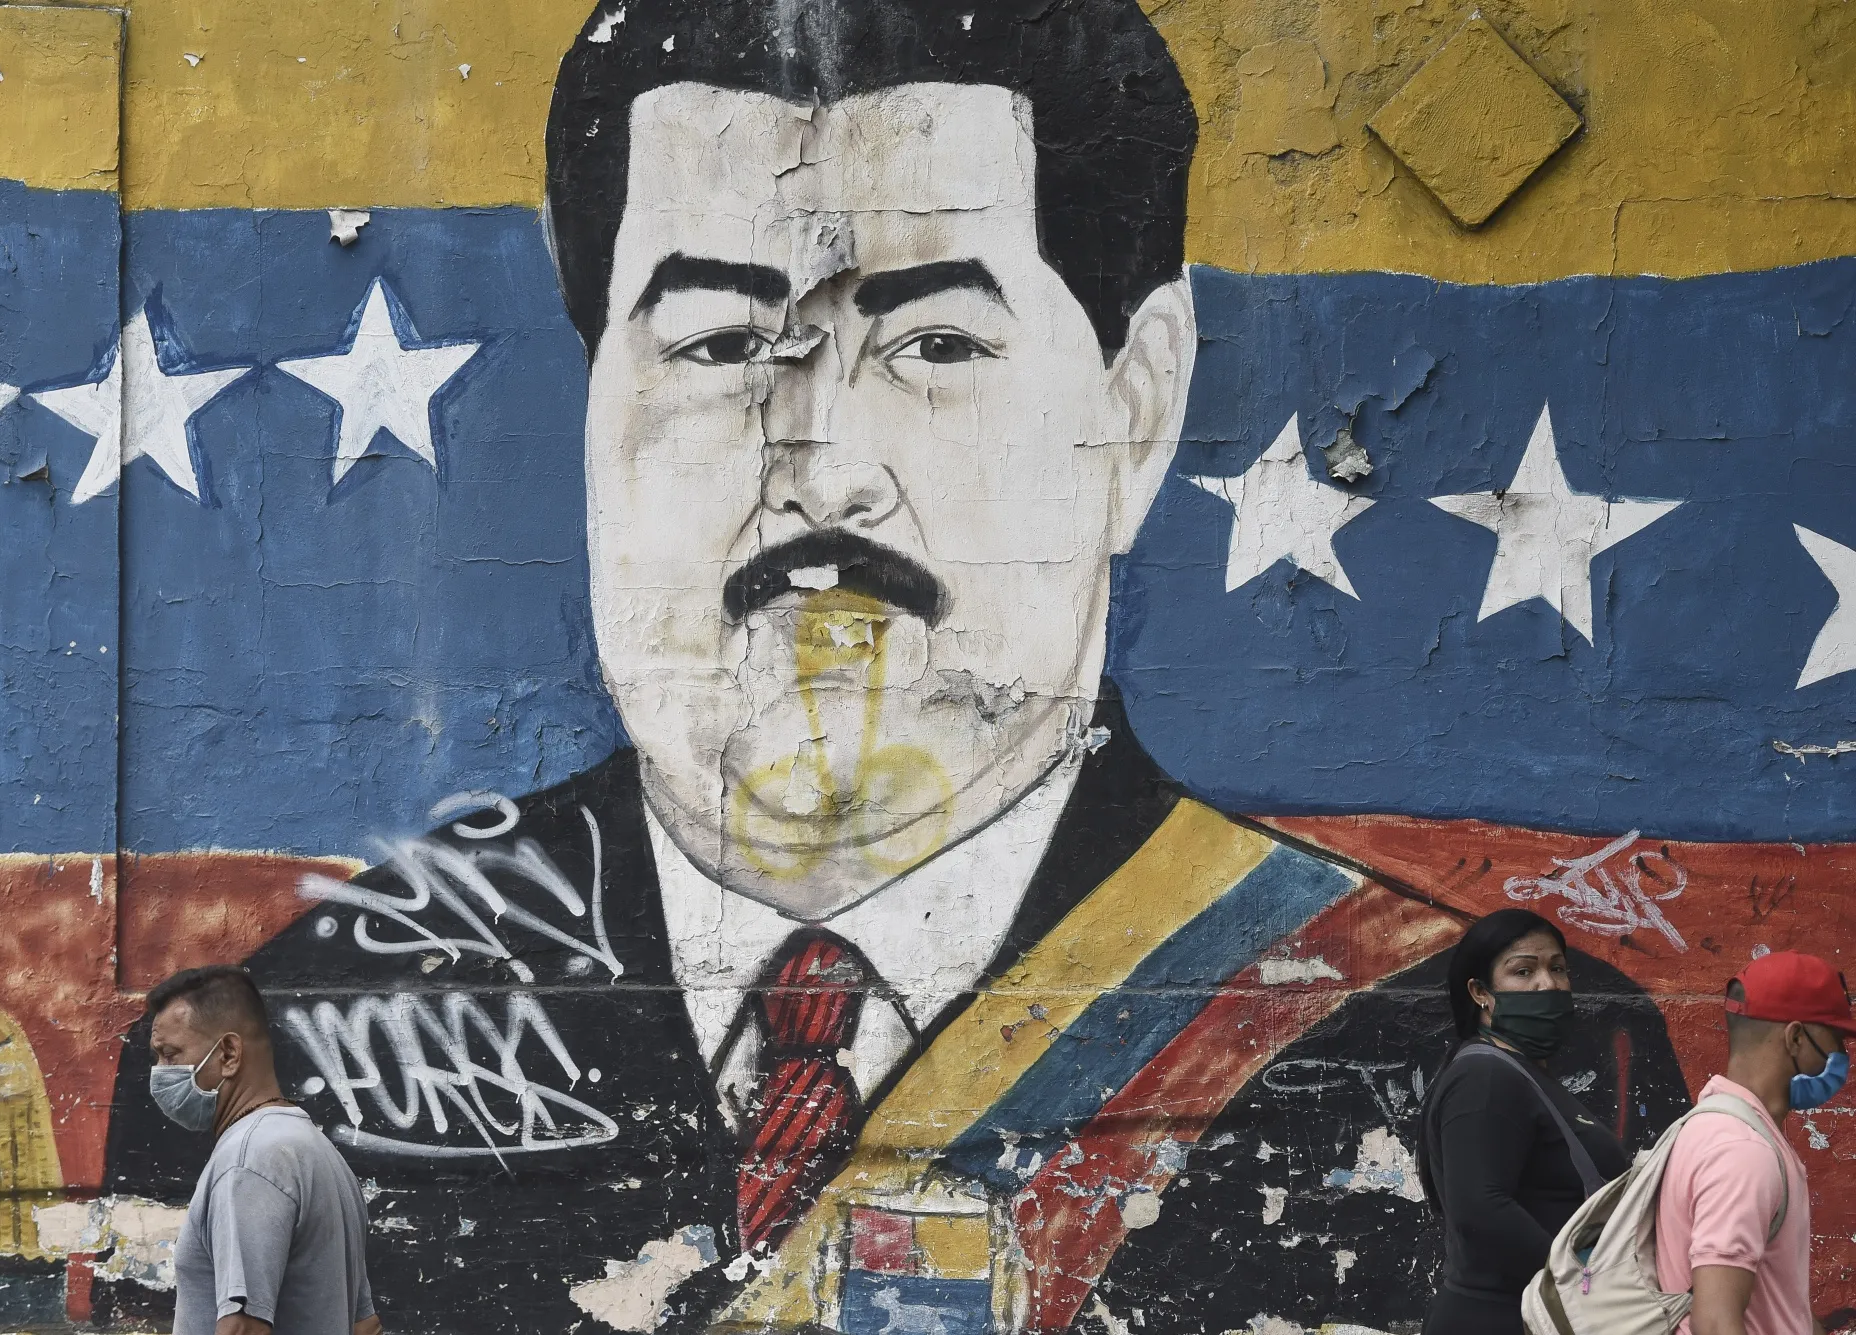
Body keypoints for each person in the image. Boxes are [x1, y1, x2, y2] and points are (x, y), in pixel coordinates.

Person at [103, 1, 1687, 1329]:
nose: (821, 465)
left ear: (1135, 407)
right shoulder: (302, 1028)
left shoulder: (1438, 1031)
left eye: (933, 345)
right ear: (594, 408)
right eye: (720, 346)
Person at [1418, 908, 1629, 1335]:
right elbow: (1481, 1210)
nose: (1547, 984)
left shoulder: (1520, 1074)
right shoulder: (1486, 1076)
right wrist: (1582, 1283)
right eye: (1523, 971)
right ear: (1480, 991)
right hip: (1506, 1317)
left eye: (1557, 968)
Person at [146, 965, 382, 1335]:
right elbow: (365, 1326)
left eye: (170, 1054)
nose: (160, 1071)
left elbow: (243, 1328)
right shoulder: (317, 1150)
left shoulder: (248, 1163)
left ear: (228, 1053)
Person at [1656, 952, 1853, 1335]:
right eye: (1835, 1041)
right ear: (1796, 1038)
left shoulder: (1714, 1123)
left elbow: (1771, 1304)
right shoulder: (1742, 1151)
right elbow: (1715, 1323)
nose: (1841, 1058)